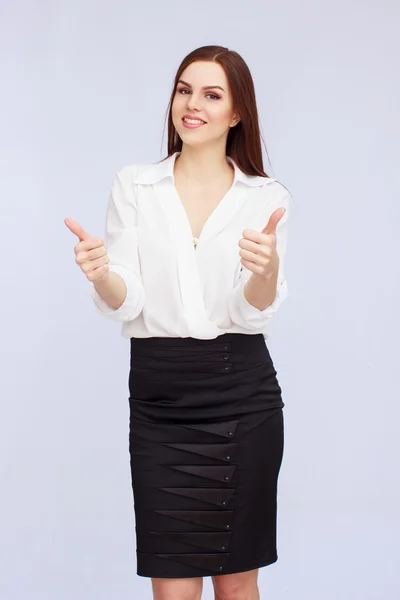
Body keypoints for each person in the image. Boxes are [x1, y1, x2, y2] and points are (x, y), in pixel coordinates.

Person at [65, 45, 292, 600]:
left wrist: (268, 269)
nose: (192, 105)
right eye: (184, 89)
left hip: (242, 395)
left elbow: (253, 309)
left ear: (237, 113)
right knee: (173, 588)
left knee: (238, 583)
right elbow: (129, 299)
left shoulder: (265, 195)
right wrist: (100, 275)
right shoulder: (136, 185)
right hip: (161, 400)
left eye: (212, 95)